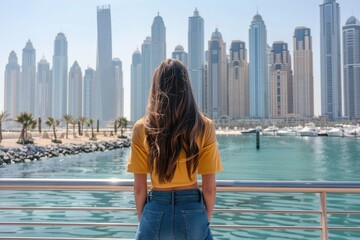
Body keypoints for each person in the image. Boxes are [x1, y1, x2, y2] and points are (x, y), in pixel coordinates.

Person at [127, 59, 223, 239]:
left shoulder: (142, 128)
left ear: (156, 87)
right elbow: (209, 189)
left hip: (155, 209)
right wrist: (203, 220)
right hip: (192, 210)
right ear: (187, 88)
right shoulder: (204, 126)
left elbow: (139, 188)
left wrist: (145, 220)